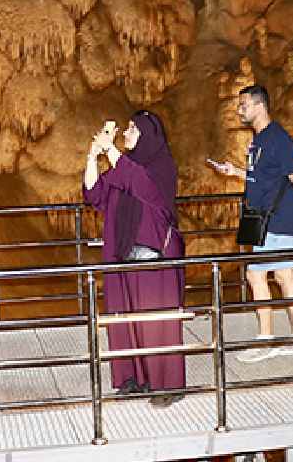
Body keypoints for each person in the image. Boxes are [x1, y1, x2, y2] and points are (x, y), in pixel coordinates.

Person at [210, 85, 293, 363]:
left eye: (244, 104)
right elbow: (262, 178)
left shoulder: (278, 139)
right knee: (283, 276)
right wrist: (235, 172)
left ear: (260, 106)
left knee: (257, 275)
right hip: (266, 219)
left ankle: (267, 339)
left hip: (280, 219)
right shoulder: (259, 140)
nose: (240, 110)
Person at [84, 111, 185, 407]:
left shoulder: (161, 166)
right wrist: (93, 155)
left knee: (156, 322)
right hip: (122, 253)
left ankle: (168, 384)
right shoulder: (124, 166)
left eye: (132, 129)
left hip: (153, 255)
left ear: (147, 134)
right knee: (124, 319)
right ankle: (134, 378)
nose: (126, 133)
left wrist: (111, 150)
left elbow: (141, 184)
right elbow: (94, 193)